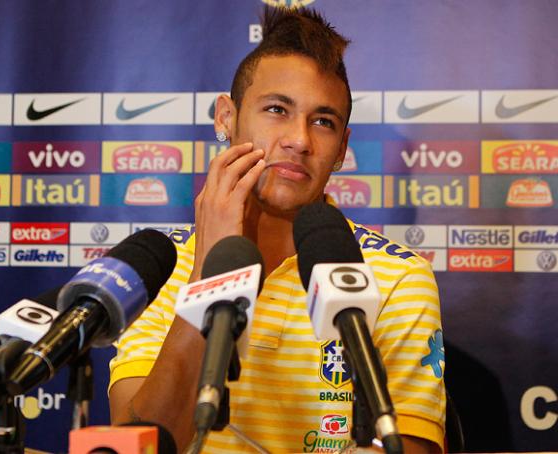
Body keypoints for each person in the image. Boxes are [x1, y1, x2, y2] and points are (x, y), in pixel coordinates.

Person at [109, 7, 445, 453]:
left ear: (342, 147)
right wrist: (208, 276)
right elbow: (142, 445)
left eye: (323, 121)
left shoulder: (399, 278)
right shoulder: (158, 268)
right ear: (225, 118)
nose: (300, 140)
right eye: (276, 110)